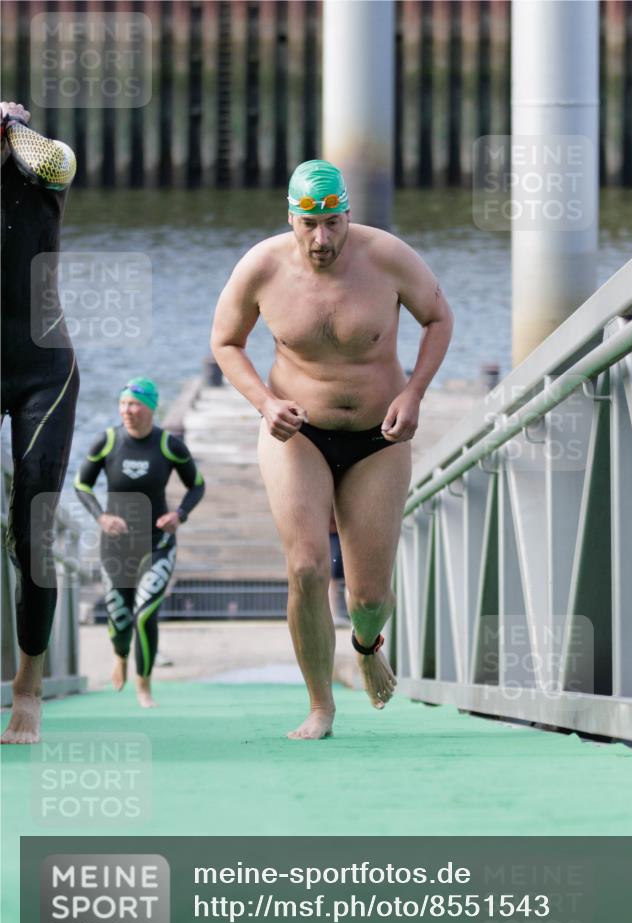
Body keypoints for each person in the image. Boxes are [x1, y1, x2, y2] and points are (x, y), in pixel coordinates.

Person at [210, 159, 453, 739]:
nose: (323, 240)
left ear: (348, 214)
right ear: (291, 218)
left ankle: (367, 643)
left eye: (334, 223)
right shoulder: (261, 266)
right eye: (310, 224)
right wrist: (266, 403)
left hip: (380, 436)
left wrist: (415, 392)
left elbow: (438, 317)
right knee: (306, 566)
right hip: (298, 434)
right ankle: (320, 705)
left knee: (369, 596)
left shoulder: (387, 257)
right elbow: (225, 342)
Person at [1, 101, 78, 744]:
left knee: (36, 533)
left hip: (43, 372)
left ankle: (28, 688)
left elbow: (60, 161)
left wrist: (12, 127)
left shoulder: (39, 165)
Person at [75, 378, 205, 707]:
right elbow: (81, 486)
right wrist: (101, 517)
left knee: (144, 615)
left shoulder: (167, 445)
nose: (127, 411)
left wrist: (180, 515)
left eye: (134, 404)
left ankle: (144, 686)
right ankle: (120, 655)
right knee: (119, 620)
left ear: (151, 407)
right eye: (123, 404)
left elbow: (197, 485)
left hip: (157, 544)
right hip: (115, 547)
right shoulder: (106, 441)